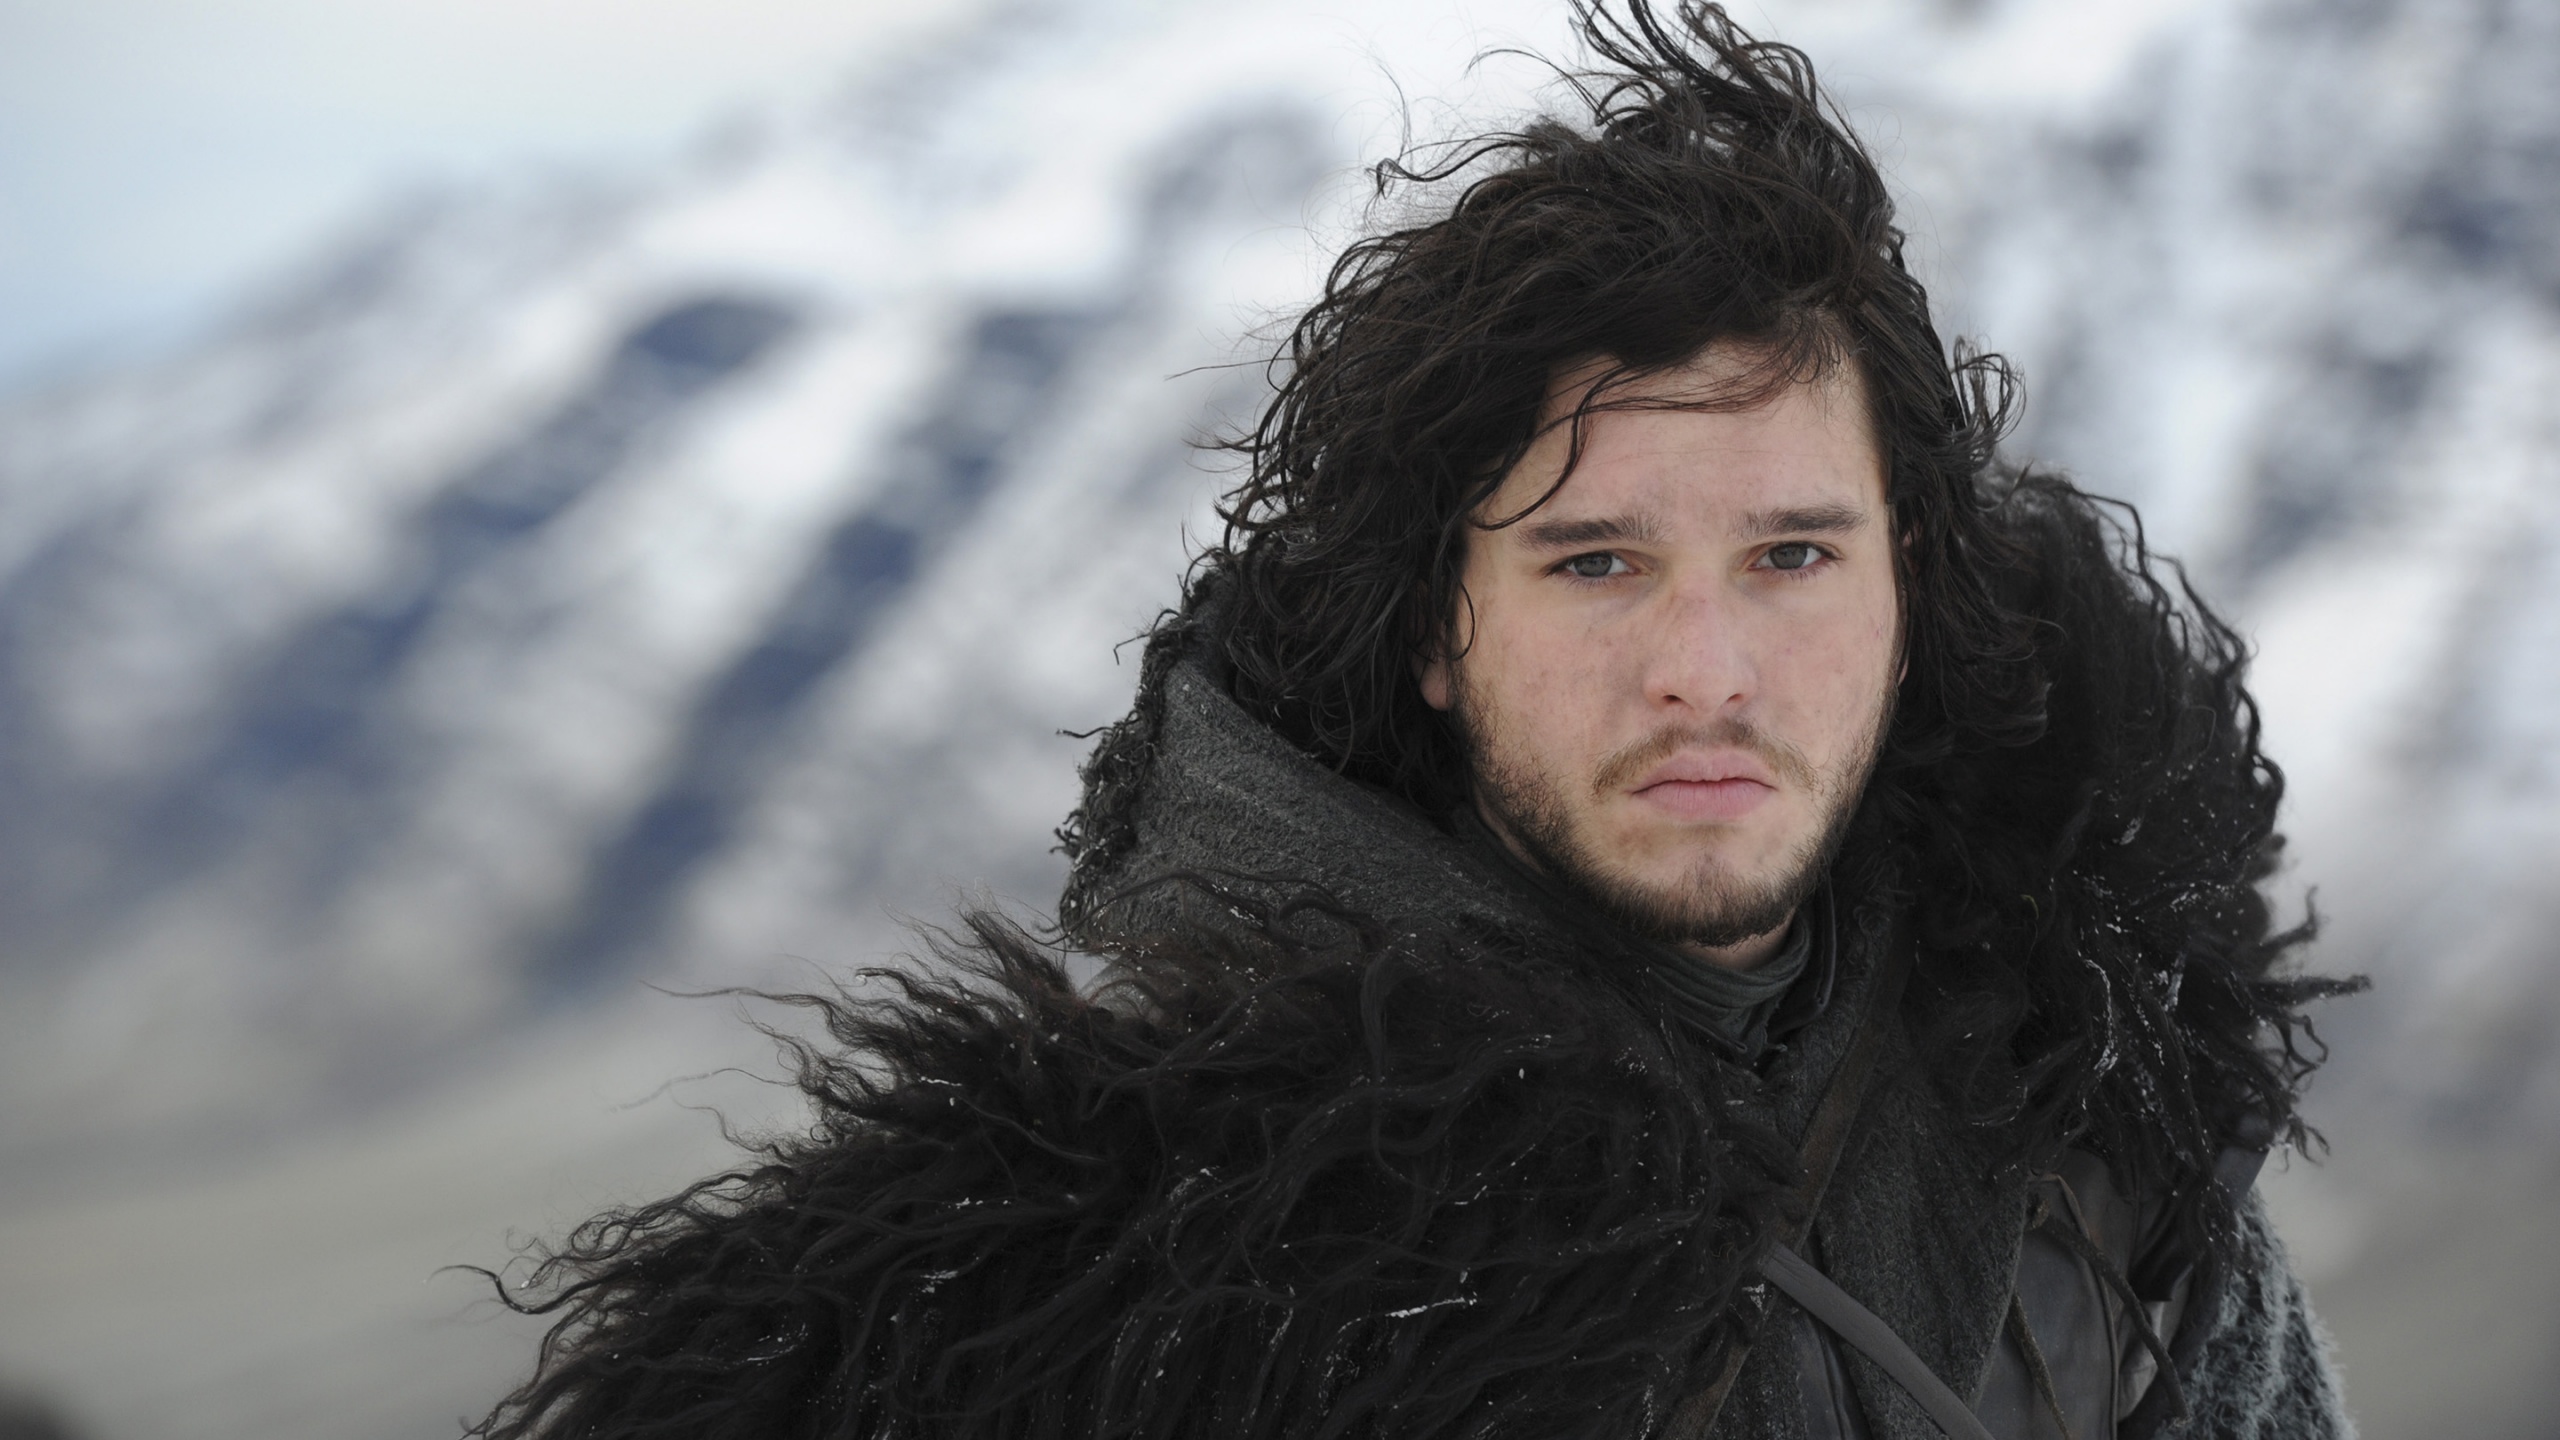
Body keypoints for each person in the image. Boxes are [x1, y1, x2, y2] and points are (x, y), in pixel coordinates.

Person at [473, 4, 2359, 1437]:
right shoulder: (1154, 1268)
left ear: (1907, 590)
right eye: (1596, 563)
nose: (1705, 668)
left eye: (1790, 556)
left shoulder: (2091, 1126)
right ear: (1438, 627)